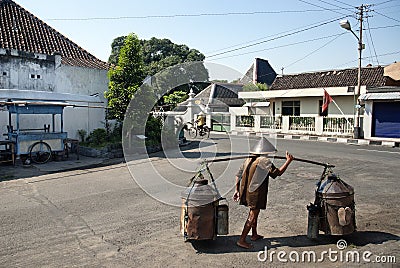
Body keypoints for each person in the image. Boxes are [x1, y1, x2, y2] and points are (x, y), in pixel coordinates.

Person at [233, 137, 294, 249]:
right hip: (255, 193)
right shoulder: (264, 161)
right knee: (252, 214)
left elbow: (238, 175)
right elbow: (277, 173)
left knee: (255, 212)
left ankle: (254, 234)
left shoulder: (248, 159)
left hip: (246, 191)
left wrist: (237, 190)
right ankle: (242, 240)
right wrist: (288, 161)